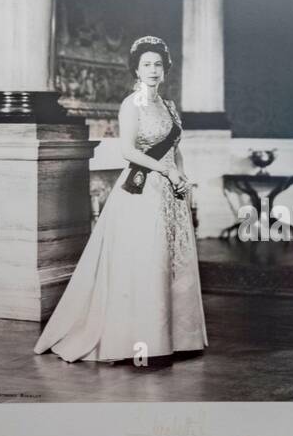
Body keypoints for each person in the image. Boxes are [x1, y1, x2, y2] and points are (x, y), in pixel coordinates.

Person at [34, 35, 208, 363]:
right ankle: (143, 343)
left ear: (165, 68)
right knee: (146, 260)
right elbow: (129, 151)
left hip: (171, 192)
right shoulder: (132, 104)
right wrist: (166, 172)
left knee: (172, 260)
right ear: (137, 70)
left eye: (158, 64)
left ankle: (177, 339)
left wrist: (181, 175)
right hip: (142, 190)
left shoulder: (168, 106)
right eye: (147, 65)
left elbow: (175, 148)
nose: (153, 70)